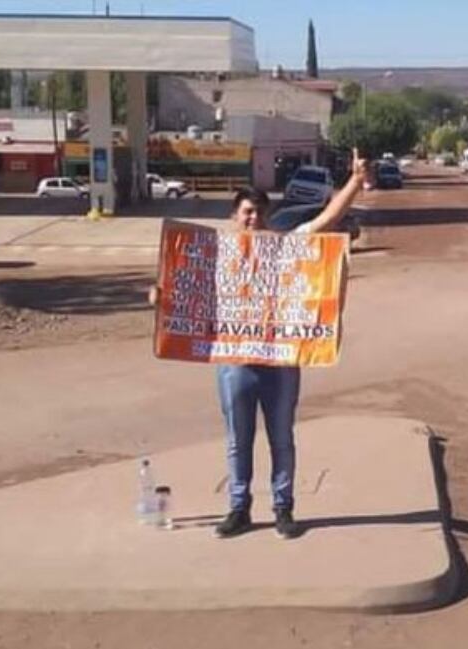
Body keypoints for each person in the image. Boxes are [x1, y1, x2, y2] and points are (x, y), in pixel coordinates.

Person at [150, 149, 368, 539]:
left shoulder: (285, 247)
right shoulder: (212, 254)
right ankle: (239, 508)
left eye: (259, 212)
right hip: (234, 362)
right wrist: (158, 298)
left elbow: (325, 221)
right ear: (235, 216)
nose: (253, 218)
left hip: (281, 360)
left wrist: (354, 181)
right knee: (238, 440)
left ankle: (283, 508)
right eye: (247, 212)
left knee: (282, 437)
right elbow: (178, 292)